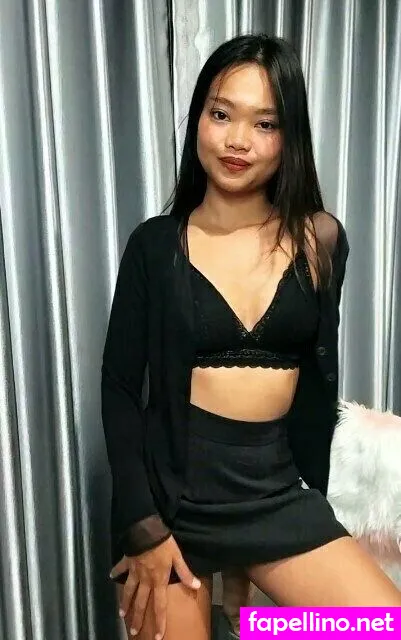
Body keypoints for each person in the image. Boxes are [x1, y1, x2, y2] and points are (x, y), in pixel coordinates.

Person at [101, 34, 401, 640]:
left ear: (289, 138)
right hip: (173, 504)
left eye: (265, 124)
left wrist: (263, 585)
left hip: (274, 492)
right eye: (221, 114)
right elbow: (119, 389)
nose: (238, 140)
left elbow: (315, 387)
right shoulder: (155, 246)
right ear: (198, 120)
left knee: (378, 625)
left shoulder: (320, 240)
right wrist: (142, 528)